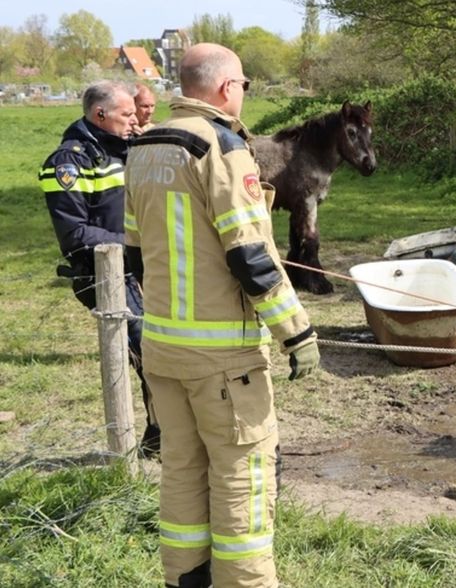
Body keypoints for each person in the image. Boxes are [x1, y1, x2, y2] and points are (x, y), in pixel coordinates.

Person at [124, 43, 320, 588]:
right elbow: (251, 255)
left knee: (182, 471)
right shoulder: (223, 146)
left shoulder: (144, 148)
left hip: (162, 350)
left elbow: (136, 252)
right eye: (245, 86)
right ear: (227, 87)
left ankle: (184, 579)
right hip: (222, 360)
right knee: (243, 477)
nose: (243, 96)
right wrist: (297, 333)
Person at [37, 79, 161, 456]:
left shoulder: (126, 148)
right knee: (148, 351)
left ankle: (161, 435)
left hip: (143, 268)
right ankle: (158, 438)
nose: (134, 120)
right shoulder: (68, 162)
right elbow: (74, 234)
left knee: (163, 350)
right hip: (105, 275)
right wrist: (136, 241)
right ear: (99, 114)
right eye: (127, 114)